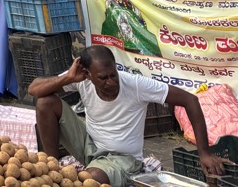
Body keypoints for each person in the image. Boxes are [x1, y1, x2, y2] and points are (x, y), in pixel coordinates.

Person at [31, 45, 223, 186]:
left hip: (123, 158)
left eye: (113, 74)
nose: (111, 82)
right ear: (87, 74)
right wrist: (67, 79)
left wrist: (204, 153)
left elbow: (190, 100)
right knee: (45, 102)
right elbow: (34, 89)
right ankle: (50, 166)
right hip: (89, 144)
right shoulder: (81, 79)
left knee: (91, 180)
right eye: (103, 78)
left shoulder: (136, 85)